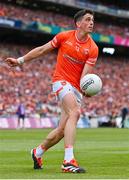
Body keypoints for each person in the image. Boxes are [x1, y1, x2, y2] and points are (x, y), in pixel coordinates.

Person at [5, 9, 98, 173]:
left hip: (75, 89)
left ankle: (37, 152)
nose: (91, 22)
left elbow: (85, 76)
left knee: (62, 131)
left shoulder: (93, 48)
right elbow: (42, 50)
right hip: (60, 81)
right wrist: (20, 61)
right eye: (88, 19)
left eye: (92, 20)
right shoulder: (64, 37)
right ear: (78, 23)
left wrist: (86, 89)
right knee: (75, 113)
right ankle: (68, 161)